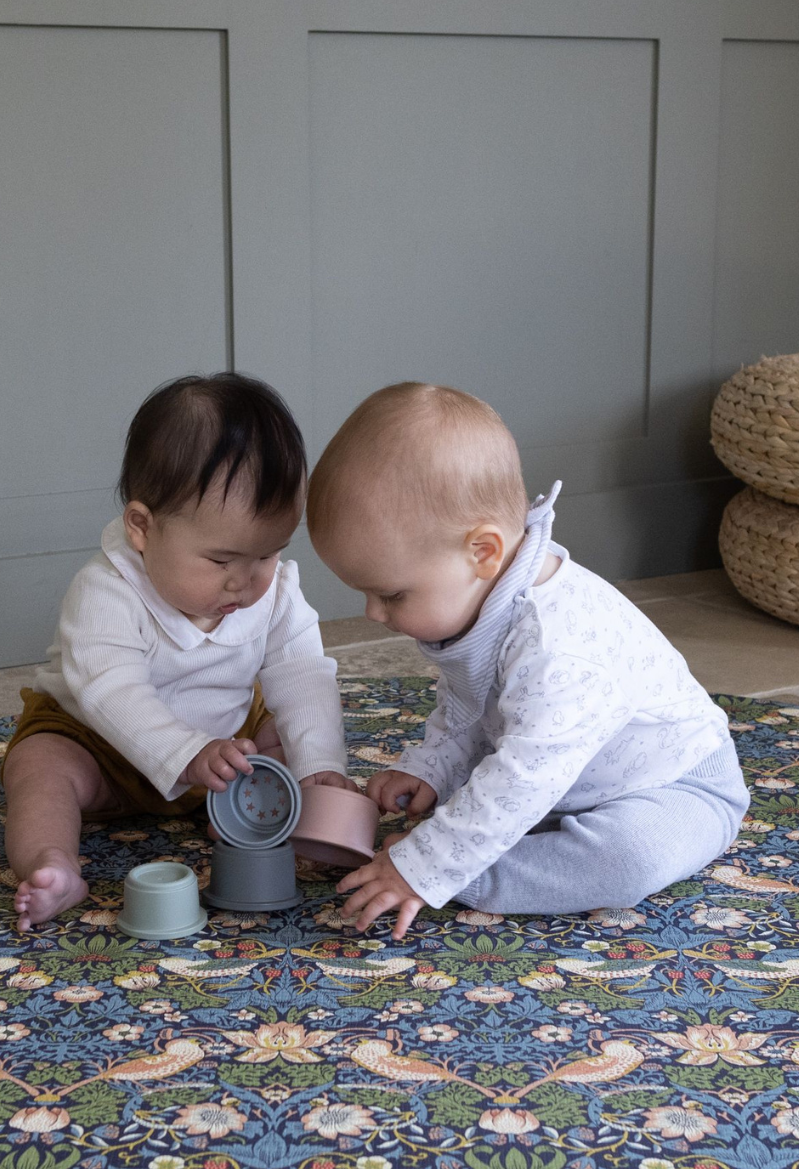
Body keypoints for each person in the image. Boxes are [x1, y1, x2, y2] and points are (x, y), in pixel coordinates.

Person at [305, 382, 748, 936]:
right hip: (558, 778)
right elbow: (469, 706)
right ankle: (483, 843)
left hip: (672, 786)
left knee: (630, 859)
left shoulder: (559, 646)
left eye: (392, 595)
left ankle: (478, 875)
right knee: (504, 785)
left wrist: (427, 866)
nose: (373, 613)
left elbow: (523, 774)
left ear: (483, 552)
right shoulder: (484, 597)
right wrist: (433, 767)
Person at [2, 373, 348, 930]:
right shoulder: (105, 590)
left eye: (268, 554)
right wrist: (185, 752)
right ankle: (52, 863)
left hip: (225, 750)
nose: (247, 581)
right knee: (39, 768)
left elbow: (305, 674)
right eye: (221, 561)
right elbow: (110, 691)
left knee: (287, 737)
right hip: (101, 746)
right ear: (142, 527)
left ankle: (249, 818)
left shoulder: (276, 589)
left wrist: (320, 766)